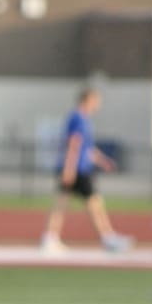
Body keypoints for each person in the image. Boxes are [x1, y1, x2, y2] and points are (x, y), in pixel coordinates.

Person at [41, 88, 133, 252]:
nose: (98, 104)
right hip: (77, 169)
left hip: (78, 167)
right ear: (88, 100)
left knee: (64, 202)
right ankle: (108, 238)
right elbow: (74, 143)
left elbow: (88, 148)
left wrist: (103, 161)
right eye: (96, 101)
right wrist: (69, 168)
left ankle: (50, 237)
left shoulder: (84, 120)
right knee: (92, 202)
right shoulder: (78, 118)